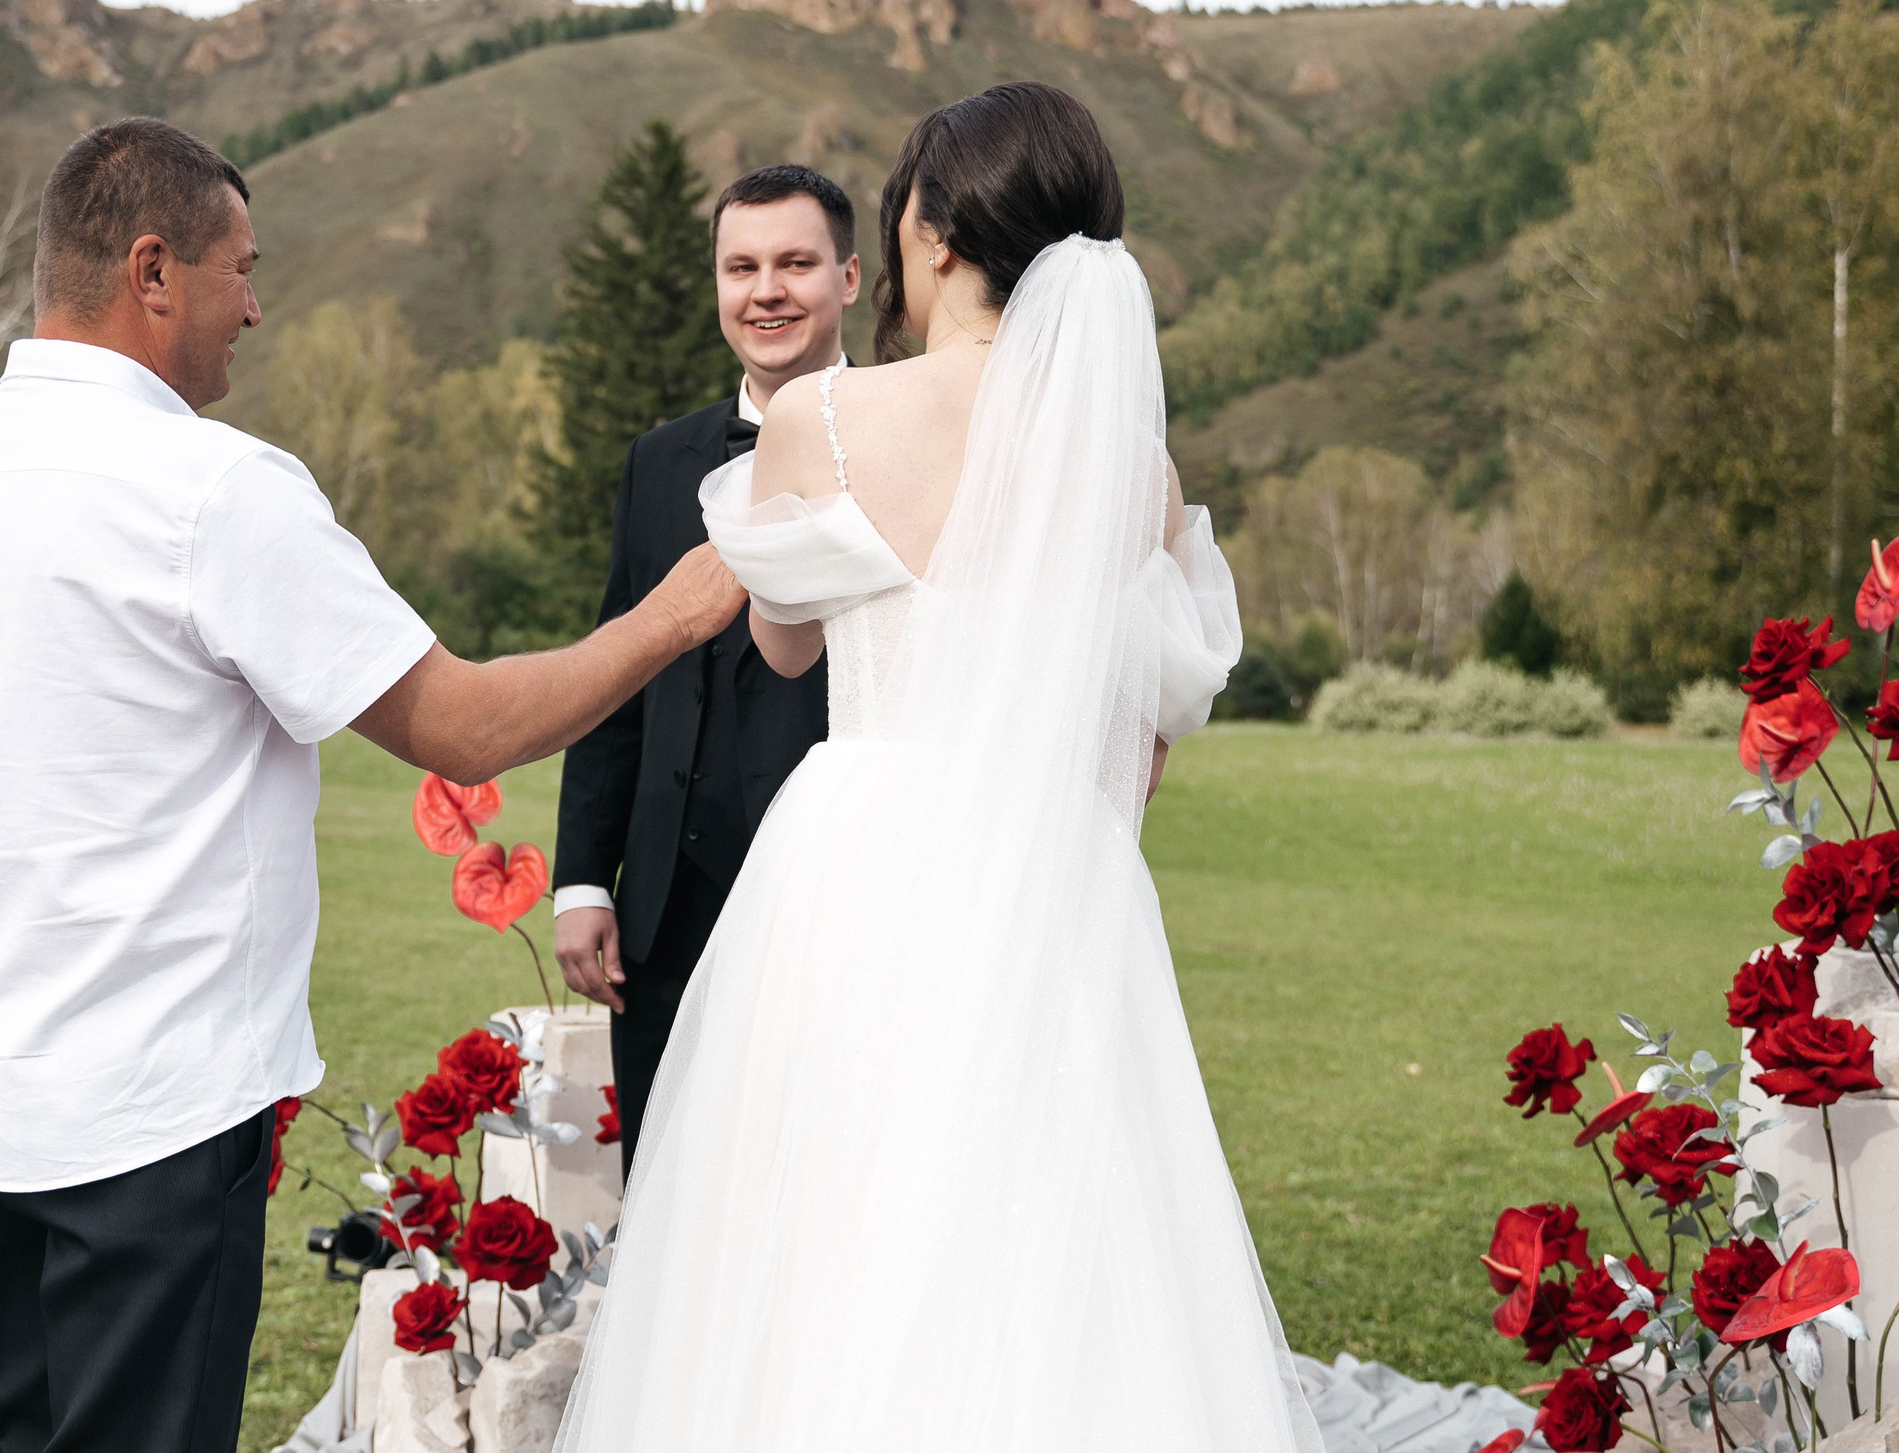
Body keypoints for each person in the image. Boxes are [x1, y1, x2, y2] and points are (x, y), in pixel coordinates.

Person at [0, 117, 742, 1453]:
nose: (255, 307)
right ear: (154, 272)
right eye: (240, 269)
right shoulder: (214, 492)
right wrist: (676, 613)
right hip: (150, 1117)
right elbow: (469, 726)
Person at [553, 85, 1324, 1452]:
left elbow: (786, 648)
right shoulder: (1130, 473)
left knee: (821, 1228)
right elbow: (1140, 725)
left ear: (929, 233)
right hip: (1057, 868)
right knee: (1054, 1234)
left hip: (864, 856)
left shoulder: (826, 425)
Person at [551, 163, 860, 1170]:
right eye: (741, 266)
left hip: (838, 899)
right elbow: (613, 675)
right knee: (670, 1184)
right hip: (662, 917)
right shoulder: (657, 461)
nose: (765, 289)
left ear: (848, 279)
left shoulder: (900, 448)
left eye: (794, 263)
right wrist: (585, 879)